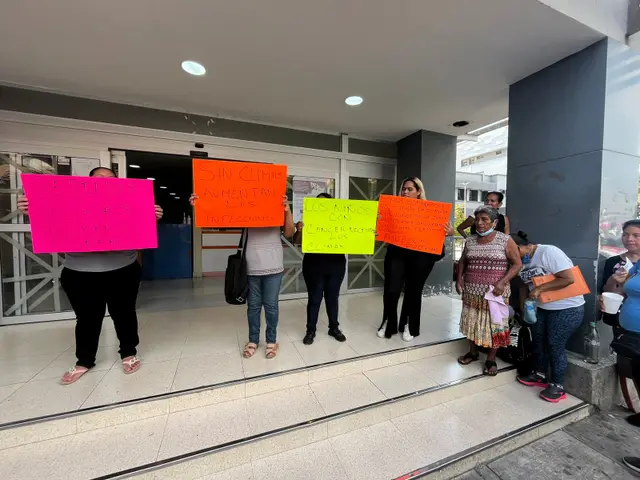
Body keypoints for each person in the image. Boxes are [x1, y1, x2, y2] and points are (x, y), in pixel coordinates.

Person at [17, 167, 164, 385]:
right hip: (79, 272)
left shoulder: (128, 200)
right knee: (87, 319)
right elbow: (51, 223)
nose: (106, 181)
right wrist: (33, 210)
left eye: (111, 178)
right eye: (100, 177)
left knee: (124, 313)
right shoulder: (68, 200)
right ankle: (84, 360)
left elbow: (140, 229)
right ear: (87, 181)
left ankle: (128, 352)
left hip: (123, 268)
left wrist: (153, 216)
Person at [190, 193, 295, 359]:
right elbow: (220, 215)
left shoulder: (277, 206)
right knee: (253, 306)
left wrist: (287, 211)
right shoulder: (244, 206)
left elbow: (289, 233)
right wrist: (200, 205)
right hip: (251, 266)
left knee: (271, 305)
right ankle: (253, 340)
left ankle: (271, 341)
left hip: (274, 266)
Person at [377, 177, 454, 341]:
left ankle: (408, 325)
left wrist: (451, 232)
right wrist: (379, 229)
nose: (405, 192)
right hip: (397, 253)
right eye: (404, 189)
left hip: (420, 255)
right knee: (392, 289)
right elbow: (384, 230)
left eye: (410, 189)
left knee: (413, 291)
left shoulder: (431, 211)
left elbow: (440, 233)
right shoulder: (393, 208)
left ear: (419, 191)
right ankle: (388, 323)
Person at [512, 231, 585, 403]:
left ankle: (558, 385)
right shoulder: (519, 261)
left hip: (567, 308)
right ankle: (539, 374)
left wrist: (539, 289)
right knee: (538, 341)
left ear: (520, 246)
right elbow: (523, 286)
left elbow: (568, 278)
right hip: (541, 307)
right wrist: (524, 309)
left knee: (554, 344)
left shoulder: (548, 252)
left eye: (510, 252)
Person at [456, 206, 522, 375]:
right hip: (472, 291)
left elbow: (517, 264)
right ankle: (473, 352)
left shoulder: (504, 240)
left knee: (495, 325)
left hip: (495, 293)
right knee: (471, 321)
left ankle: (491, 360)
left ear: (495, 222)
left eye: (485, 219)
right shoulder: (470, 240)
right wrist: (459, 278)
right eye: (477, 219)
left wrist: (503, 282)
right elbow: (463, 260)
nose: (480, 223)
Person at [292, 193, 347, 345]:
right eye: (319, 203)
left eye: (326, 203)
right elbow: (296, 241)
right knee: (315, 299)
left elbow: (353, 237)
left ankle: (334, 328)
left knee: (332, 298)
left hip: (336, 265)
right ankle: (310, 331)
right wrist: (300, 230)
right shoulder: (307, 220)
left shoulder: (342, 220)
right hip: (314, 265)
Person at [600, 219, 640, 331]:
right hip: (618, 315)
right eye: (625, 235)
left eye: (636, 235)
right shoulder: (613, 261)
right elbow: (604, 291)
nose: (629, 239)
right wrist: (612, 281)